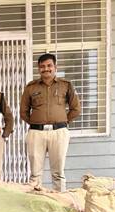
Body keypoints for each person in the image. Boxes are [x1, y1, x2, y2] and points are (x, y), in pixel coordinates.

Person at [20, 53, 81, 192]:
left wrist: (63, 121)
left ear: (55, 67)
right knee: (35, 174)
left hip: (59, 132)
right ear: (38, 68)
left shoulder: (65, 85)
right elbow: (23, 112)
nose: (46, 69)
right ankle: (36, 201)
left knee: (58, 173)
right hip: (36, 133)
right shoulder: (31, 87)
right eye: (42, 66)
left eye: (49, 65)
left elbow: (76, 109)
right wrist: (37, 123)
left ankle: (60, 202)